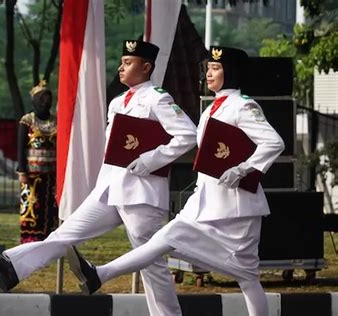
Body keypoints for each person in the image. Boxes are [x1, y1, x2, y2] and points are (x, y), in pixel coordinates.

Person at [0, 40, 197, 316]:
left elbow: (188, 134)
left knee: (151, 264)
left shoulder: (157, 98)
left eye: (128, 63)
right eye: (121, 61)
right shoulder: (118, 102)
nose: (121, 67)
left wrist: (150, 159)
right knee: (66, 233)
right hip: (110, 187)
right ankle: (12, 267)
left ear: (146, 66)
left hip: (142, 191)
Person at [67, 46, 285, 316]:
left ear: (232, 73)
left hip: (236, 209)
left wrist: (243, 169)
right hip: (204, 203)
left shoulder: (244, 105)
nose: (208, 74)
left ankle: (99, 274)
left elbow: (274, 142)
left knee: (247, 277)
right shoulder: (211, 109)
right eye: (208, 69)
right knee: (165, 240)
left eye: (215, 69)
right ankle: (98, 274)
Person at [17, 80, 58, 243]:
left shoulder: (56, 121)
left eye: (48, 98)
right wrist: (22, 171)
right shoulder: (27, 120)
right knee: (32, 204)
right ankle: (31, 236)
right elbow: (20, 148)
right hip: (32, 173)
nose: (45, 102)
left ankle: (49, 236)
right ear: (35, 100)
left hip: (52, 173)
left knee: (49, 205)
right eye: (42, 98)